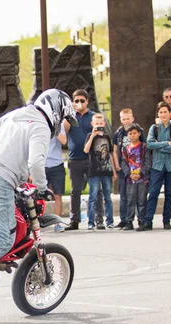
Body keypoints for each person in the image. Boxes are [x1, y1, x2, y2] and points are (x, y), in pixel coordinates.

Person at [0, 89, 77, 302]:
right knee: (3, 237)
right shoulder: (40, 126)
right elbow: (36, 163)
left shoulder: (17, 114)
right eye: (63, 116)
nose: (62, 121)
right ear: (56, 111)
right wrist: (41, 187)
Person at [64, 89, 103, 230]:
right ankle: (74, 220)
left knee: (96, 189)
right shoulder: (70, 117)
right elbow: (65, 130)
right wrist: (70, 114)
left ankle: (99, 218)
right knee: (75, 191)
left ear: (87, 101)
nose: (79, 103)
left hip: (92, 157)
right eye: (76, 101)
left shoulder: (93, 116)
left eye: (82, 100)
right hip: (75, 158)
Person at [140, 101, 171, 231]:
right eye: (161, 112)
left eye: (165, 112)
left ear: (170, 113)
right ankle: (148, 221)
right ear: (158, 114)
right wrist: (165, 144)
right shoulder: (154, 128)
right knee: (153, 193)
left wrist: (160, 145)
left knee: (169, 194)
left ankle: (166, 220)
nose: (163, 114)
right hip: (157, 165)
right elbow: (150, 144)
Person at [83, 113, 117, 230]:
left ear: (104, 123)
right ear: (92, 124)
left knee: (108, 198)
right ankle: (91, 222)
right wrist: (92, 136)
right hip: (94, 172)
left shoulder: (107, 137)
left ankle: (110, 221)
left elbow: (110, 154)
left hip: (106, 171)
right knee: (92, 198)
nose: (98, 125)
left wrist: (114, 171)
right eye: (96, 124)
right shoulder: (89, 136)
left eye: (100, 123)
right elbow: (86, 150)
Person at [112, 108, 146, 228]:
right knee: (124, 195)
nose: (126, 121)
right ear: (120, 119)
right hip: (124, 168)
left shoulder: (139, 131)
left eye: (128, 118)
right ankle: (125, 219)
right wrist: (117, 165)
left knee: (139, 196)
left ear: (132, 118)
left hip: (138, 168)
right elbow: (115, 150)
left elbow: (144, 149)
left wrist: (142, 170)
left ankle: (140, 219)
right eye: (123, 119)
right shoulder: (118, 132)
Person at [120, 124, 151, 231]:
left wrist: (141, 174)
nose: (132, 135)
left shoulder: (144, 147)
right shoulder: (125, 149)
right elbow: (123, 163)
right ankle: (129, 221)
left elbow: (147, 162)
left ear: (139, 133)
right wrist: (129, 174)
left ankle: (142, 221)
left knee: (142, 200)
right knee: (130, 200)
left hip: (142, 179)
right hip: (130, 179)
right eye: (130, 133)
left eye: (134, 133)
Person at [45, 125, 67, 232]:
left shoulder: (59, 126)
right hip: (41, 164)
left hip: (56, 163)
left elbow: (64, 141)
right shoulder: (39, 124)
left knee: (57, 195)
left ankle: (57, 223)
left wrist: (55, 129)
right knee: (38, 196)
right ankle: (36, 223)